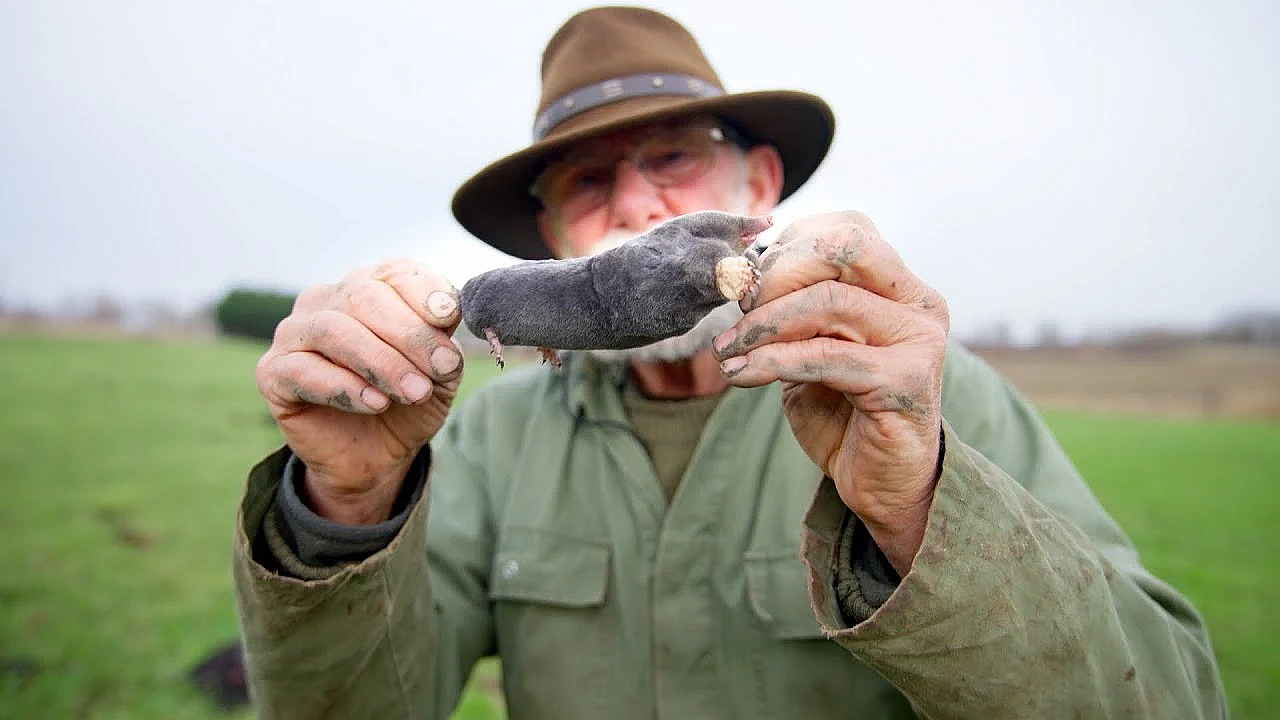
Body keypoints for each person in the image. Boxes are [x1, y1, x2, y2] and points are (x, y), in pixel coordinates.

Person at [232, 6, 1228, 719]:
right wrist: (346, 508)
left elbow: (1171, 700)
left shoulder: (928, 399)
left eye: (670, 158)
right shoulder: (484, 433)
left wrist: (918, 506)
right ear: (546, 236)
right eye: (586, 180)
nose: (632, 209)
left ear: (755, 184)